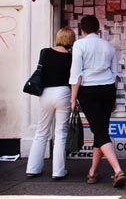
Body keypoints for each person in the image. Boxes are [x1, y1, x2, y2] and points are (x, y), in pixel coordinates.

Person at [69, 15, 126, 188]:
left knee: (99, 130)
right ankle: (92, 172)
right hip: (107, 89)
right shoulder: (108, 46)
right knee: (100, 129)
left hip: (88, 91)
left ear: (82, 30)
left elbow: (76, 74)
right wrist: (114, 96)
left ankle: (117, 170)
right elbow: (116, 75)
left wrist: (73, 99)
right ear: (98, 29)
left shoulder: (79, 44)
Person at [26, 27, 76, 180]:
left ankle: (32, 168)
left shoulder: (45, 52)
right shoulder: (71, 57)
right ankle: (58, 171)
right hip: (63, 93)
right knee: (60, 133)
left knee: (41, 131)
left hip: (46, 93)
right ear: (71, 40)